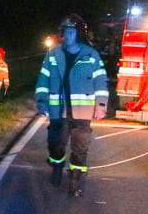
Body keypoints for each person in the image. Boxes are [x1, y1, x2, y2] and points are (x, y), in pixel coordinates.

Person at [34, 15, 109, 196]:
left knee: (80, 147)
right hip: (57, 110)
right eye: (65, 31)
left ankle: (75, 179)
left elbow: (101, 80)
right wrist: (41, 100)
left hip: (82, 111)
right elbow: (43, 78)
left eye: (71, 31)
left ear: (79, 34)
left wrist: (100, 105)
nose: (67, 35)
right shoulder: (53, 55)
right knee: (55, 144)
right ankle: (57, 166)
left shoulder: (91, 55)